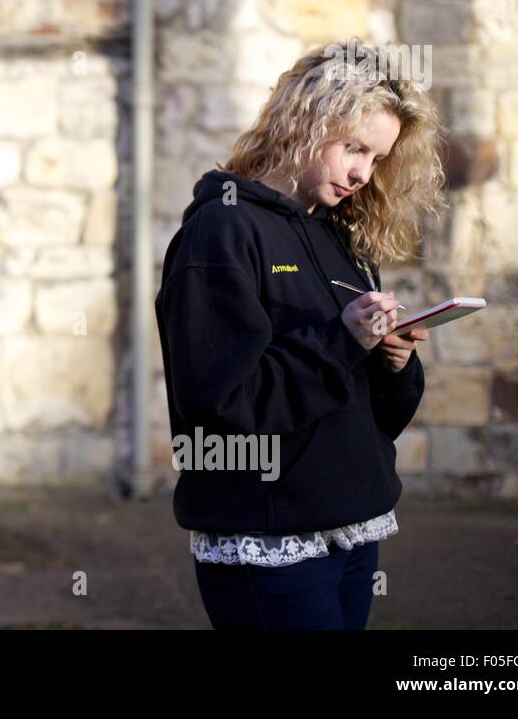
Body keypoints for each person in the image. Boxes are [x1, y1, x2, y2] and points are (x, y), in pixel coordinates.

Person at [154, 38, 448, 630]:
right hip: (268, 541)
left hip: (355, 527)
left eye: (377, 157)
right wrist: (343, 341)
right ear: (304, 122)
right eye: (354, 148)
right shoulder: (222, 230)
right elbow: (220, 406)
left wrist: (393, 362)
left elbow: (369, 415)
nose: (364, 173)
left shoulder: (342, 235)